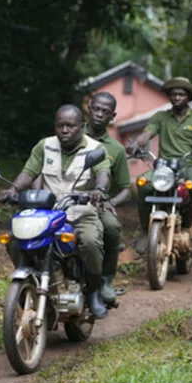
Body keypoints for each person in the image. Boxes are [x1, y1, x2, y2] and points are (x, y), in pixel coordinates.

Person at [0, 105, 112, 319]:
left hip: (80, 213)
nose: (64, 130)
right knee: (16, 238)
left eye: (70, 126)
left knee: (90, 242)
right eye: (60, 125)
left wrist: (99, 190)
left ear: (81, 127)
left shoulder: (95, 149)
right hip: (48, 214)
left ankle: (94, 291)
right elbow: (28, 172)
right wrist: (12, 189)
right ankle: (29, 283)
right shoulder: (44, 146)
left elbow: (103, 173)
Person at [127, 77, 192, 255]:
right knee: (142, 184)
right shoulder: (160, 117)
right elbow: (146, 134)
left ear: (188, 97)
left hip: (190, 164)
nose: (177, 97)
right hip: (164, 167)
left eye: (181, 94)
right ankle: (146, 233)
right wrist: (135, 145)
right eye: (173, 94)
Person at [85, 92, 131, 308]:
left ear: (112, 116)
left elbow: (125, 189)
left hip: (98, 204)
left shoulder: (116, 149)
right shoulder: (70, 133)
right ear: (89, 108)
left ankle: (106, 280)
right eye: (96, 109)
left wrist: (110, 202)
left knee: (112, 227)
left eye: (105, 112)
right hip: (65, 198)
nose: (99, 115)